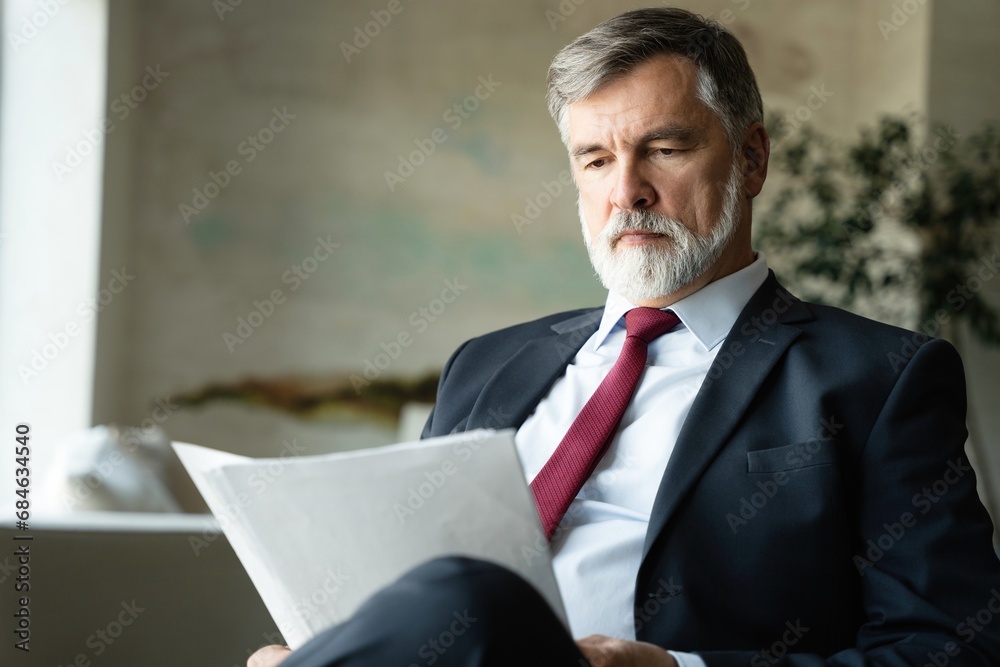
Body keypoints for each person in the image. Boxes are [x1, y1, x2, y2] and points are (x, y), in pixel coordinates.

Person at [249, 7, 1000, 666]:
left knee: (473, 586)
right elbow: (402, 584)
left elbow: (949, 648)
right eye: (596, 159)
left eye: (665, 150)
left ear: (752, 159)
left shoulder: (881, 376)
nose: (627, 191)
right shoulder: (484, 364)